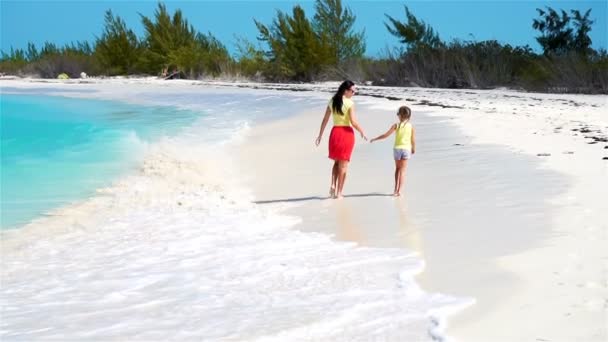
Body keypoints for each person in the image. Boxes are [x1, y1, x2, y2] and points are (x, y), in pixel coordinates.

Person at [315, 80, 367, 199]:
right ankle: (339, 193)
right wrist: (362, 131)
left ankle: (333, 184)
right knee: (344, 165)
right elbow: (353, 122)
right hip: (346, 134)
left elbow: (325, 120)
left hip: (335, 133)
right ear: (346, 90)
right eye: (352, 91)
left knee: (337, 162)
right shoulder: (349, 103)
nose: (354, 93)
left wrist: (320, 135)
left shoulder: (332, 101)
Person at [370, 105, 416, 196]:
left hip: (397, 149)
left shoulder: (396, 125)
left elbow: (386, 135)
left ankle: (395, 189)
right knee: (403, 171)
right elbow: (413, 139)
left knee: (397, 169)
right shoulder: (411, 127)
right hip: (406, 149)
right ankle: (399, 191)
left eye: (398, 114)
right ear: (409, 116)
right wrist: (413, 148)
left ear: (400, 115)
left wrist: (375, 139)